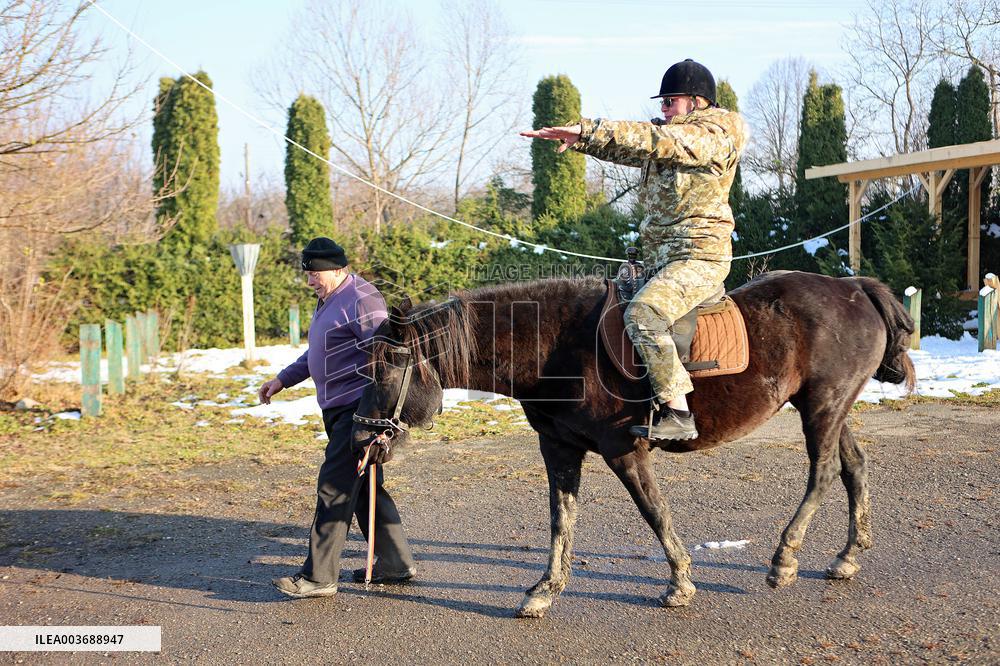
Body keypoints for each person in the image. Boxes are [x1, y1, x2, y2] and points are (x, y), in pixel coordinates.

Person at [521, 59, 748, 442]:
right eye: (662, 103)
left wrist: (589, 126)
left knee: (644, 314)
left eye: (669, 102)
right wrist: (584, 140)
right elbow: (633, 147)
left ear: (696, 101)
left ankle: (678, 411)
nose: (662, 110)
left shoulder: (715, 134)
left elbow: (658, 141)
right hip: (660, 258)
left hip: (699, 258)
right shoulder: (668, 138)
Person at [260, 237, 417, 598]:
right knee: (363, 491)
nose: (310, 281)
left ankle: (319, 577)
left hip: (359, 412)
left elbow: (389, 358)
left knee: (334, 487)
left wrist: (383, 422)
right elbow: (318, 351)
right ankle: (395, 562)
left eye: (315, 274)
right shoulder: (329, 299)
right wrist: (283, 379)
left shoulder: (362, 300)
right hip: (336, 410)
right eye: (308, 274)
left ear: (337, 268)